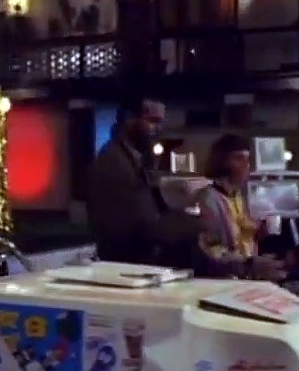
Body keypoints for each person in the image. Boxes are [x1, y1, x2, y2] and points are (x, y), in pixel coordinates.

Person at [87, 96, 202, 266]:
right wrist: (195, 224)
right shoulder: (115, 163)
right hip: (126, 265)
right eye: (152, 121)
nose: (158, 129)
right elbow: (141, 225)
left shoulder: (131, 158)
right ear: (129, 119)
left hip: (134, 260)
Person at [195, 134, 286, 281]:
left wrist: (262, 232)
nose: (246, 165)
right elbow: (210, 249)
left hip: (248, 275)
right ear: (222, 162)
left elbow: (245, 235)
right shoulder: (208, 199)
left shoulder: (238, 196)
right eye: (238, 158)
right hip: (226, 279)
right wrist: (248, 264)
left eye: (247, 159)